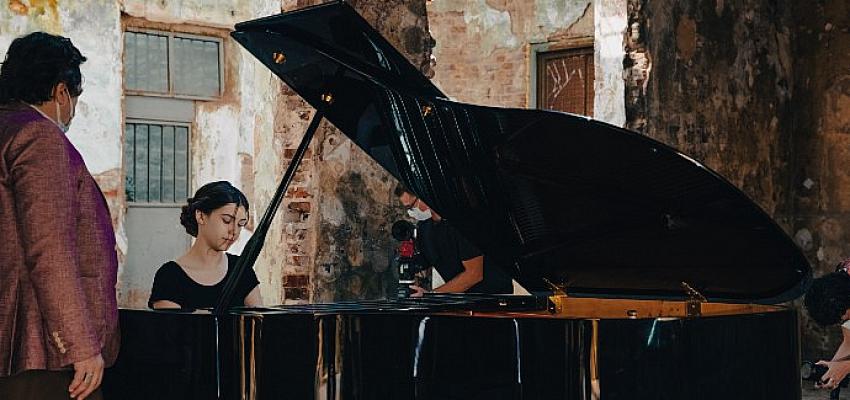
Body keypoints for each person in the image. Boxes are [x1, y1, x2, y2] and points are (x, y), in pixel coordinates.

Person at [0, 32, 119, 400]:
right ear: (61, 92)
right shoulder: (39, 136)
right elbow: (49, 250)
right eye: (75, 98)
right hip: (42, 352)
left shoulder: (7, 130)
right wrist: (79, 344)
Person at [149, 181, 262, 310]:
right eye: (227, 220)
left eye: (240, 224)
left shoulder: (242, 269)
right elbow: (168, 323)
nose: (234, 231)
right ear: (201, 216)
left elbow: (259, 319)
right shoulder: (170, 276)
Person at [394, 183, 513, 295]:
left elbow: (474, 275)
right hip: (461, 299)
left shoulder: (463, 222)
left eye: (411, 206)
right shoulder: (424, 228)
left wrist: (432, 295)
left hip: (491, 297)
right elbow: (428, 259)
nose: (411, 212)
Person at [804, 258, 850, 390]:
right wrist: (831, 369)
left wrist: (846, 367)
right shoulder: (843, 274)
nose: (846, 321)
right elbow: (849, 342)